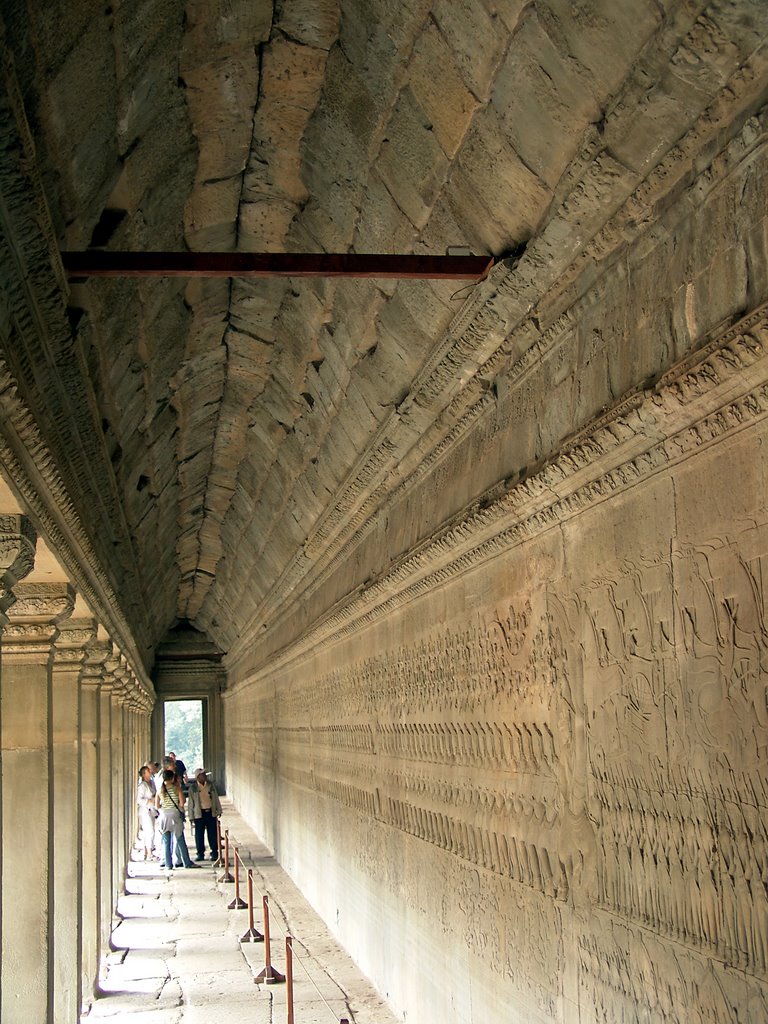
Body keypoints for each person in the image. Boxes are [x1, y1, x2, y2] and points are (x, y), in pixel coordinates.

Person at [154, 768, 197, 870]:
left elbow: (157, 806)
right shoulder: (176, 788)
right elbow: (182, 803)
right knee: (180, 839)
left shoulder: (159, 790)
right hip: (175, 815)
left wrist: (164, 807)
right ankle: (186, 862)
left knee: (166, 841)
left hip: (164, 816)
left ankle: (168, 865)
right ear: (172, 778)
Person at [187, 769, 222, 861]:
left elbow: (215, 798)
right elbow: (191, 803)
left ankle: (214, 852)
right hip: (199, 814)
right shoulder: (193, 788)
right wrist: (191, 816)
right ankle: (200, 853)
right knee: (199, 835)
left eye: (205, 774)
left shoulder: (210, 785)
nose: (205, 776)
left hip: (210, 812)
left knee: (212, 834)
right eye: (202, 774)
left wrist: (219, 810)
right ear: (198, 777)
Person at [136, 765, 157, 861]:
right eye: (148, 771)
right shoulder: (142, 786)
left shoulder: (152, 783)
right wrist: (149, 801)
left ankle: (146, 851)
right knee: (150, 831)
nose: (150, 772)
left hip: (152, 810)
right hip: (145, 811)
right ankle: (149, 853)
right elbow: (139, 800)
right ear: (144, 774)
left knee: (150, 830)